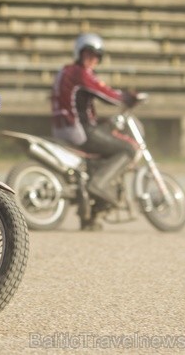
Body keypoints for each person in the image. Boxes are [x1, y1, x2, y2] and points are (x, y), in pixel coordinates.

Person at [50, 33, 139, 227]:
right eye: (89, 54)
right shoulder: (80, 73)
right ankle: (99, 184)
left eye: (97, 56)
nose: (93, 59)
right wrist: (126, 97)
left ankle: (90, 215)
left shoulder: (66, 71)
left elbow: (82, 105)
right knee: (127, 149)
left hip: (62, 128)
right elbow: (105, 92)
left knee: (104, 146)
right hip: (78, 130)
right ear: (80, 53)